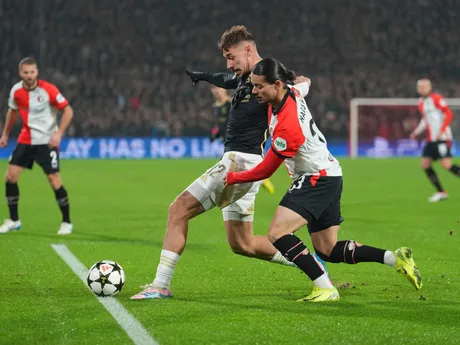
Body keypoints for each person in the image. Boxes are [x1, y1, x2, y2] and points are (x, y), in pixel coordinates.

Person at [131, 25, 317, 300]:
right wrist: (204, 77)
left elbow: (293, 91)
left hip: (239, 162)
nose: (229, 65)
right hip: (249, 164)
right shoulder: (246, 80)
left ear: (248, 49)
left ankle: (160, 284)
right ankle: (314, 268)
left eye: (232, 57)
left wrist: (305, 84)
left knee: (178, 210)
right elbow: (226, 80)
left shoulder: (269, 81)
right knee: (243, 243)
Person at [225, 58, 422, 302]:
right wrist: (300, 81)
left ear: (277, 85)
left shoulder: (288, 127)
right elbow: (304, 83)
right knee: (328, 249)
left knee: (277, 233)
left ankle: (325, 287)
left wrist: (231, 178)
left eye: (259, 87)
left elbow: (265, 171)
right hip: (330, 174)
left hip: (315, 178)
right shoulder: (292, 91)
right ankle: (395, 258)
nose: (254, 91)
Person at [0, 57, 74, 235]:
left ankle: (66, 222)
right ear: (20, 73)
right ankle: (14, 220)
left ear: (37, 72)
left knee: (54, 181)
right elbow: (12, 112)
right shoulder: (16, 91)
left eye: (32, 72)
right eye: (26, 72)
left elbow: (68, 110)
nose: (29, 75)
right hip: (26, 140)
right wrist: (5, 134)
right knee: (10, 177)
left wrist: (58, 133)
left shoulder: (48, 90)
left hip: (47, 142)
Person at [210, 85, 275, 194]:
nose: (216, 91)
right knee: (236, 164)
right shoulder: (216, 106)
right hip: (227, 139)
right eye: (214, 89)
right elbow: (220, 124)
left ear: (224, 89)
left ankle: (260, 179)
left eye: (218, 88)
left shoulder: (231, 103)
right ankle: (258, 180)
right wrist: (215, 133)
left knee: (233, 162)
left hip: (238, 138)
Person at [410, 79, 459, 202]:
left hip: (442, 138)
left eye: (425, 87)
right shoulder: (420, 102)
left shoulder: (436, 98)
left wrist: (441, 131)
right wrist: (416, 132)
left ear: (430, 88)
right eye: (420, 87)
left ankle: (441, 193)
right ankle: (441, 192)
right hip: (431, 139)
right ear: (417, 89)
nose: (423, 89)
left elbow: (448, 114)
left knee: (447, 165)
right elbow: (425, 120)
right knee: (425, 165)